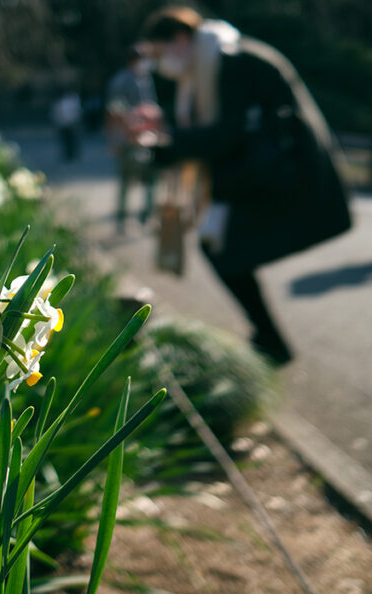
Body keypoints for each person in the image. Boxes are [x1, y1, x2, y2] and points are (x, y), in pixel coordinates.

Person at [138, 6, 351, 364]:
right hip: (267, 170)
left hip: (281, 175)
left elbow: (227, 135)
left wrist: (166, 146)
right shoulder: (217, 56)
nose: (161, 64)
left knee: (221, 248)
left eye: (159, 53)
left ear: (179, 38)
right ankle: (268, 338)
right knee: (220, 246)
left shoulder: (227, 61)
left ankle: (270, 341)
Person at [106, 46, 159, 232]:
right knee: (125, 182)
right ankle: (121, 221)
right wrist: (114, 140)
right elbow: (113, 110)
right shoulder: (120, 81)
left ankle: (146, 217)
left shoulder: (145, 79)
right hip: (127, 140)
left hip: (146, 139)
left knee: (151, 180)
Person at [51, 88, 83, 162]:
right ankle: (67, 155)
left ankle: (73, 155)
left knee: (73, 140)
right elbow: (56, 114)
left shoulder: (72, 101)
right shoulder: (59, 102)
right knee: (65, 141)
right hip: (63, 124)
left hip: (71, 124)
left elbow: (76, 112)